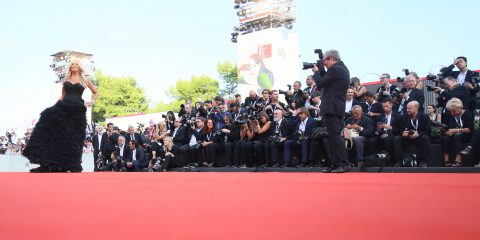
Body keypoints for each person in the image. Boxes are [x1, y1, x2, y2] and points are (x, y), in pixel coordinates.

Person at [23, 60, 99, 172]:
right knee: (57, 132)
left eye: (76, 64)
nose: (74, 66)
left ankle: (72, 164)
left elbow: (96, 92)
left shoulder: (85, 80)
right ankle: (51, 162)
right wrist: (53, 107)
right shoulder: (66, 80)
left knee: (74, 138)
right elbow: (62, 96)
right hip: (64, 107)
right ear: (70, 68)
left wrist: (91, 102)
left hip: (77, 110)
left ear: (79, 67)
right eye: (72, 64)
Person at [312, 49, 351, 173]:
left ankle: (344, 163)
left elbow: (321, 83)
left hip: (332, 107)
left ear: (332, 59)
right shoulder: (340, 69)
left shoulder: (336, 69)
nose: (323, 62)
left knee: (334, 136)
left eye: (324, 60)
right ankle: (335, 163)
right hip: (336, 107)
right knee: (333, 136)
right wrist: (321, 70)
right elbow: (327, 79)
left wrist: (316, 72)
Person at [393, 101, 431, 167]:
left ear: (416, 108)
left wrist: (418, 134)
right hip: (407, 138)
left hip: (419, 137)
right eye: (407, 108)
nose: (407, 110)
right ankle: (399, 161)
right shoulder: (404, 117)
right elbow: (399, 130)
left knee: (425, 138)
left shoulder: (424, 116)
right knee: (397, 139)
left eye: (409, 108)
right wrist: (402, 133)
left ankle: (423, 161)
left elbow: (428, 130)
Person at [441, 98, 473, 167]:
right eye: (451, 111)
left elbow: (469, 129)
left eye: (454, 111)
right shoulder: (449, 115)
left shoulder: (467, 114)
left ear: (460, 108)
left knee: (457, 136)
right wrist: (445, 131)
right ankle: (446, 160)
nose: (452, 113)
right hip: (452, 134)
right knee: (445, 138)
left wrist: (456, 130)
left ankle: (458, 159)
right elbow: (446, 127)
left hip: (465, 135)